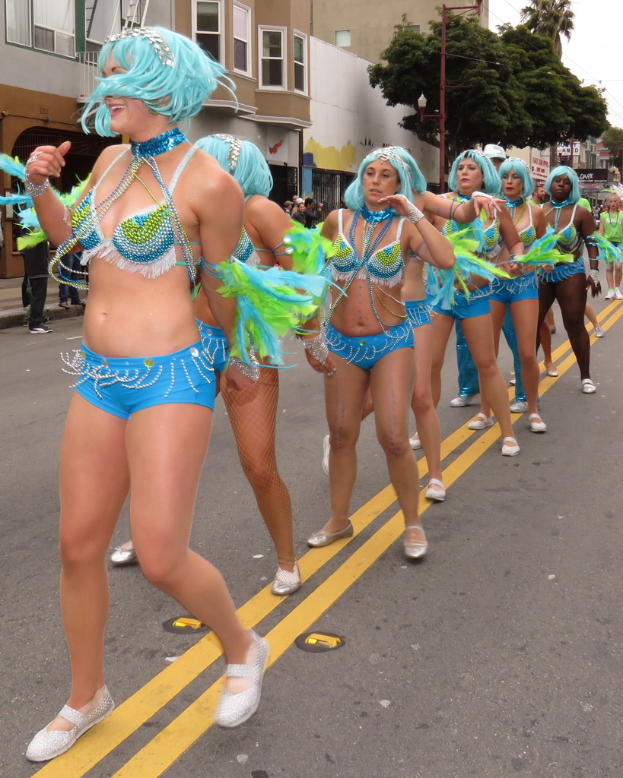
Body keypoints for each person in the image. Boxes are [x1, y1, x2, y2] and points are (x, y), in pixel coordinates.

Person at [23, 27, 270, 763]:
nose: (98, 93)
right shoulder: (107, 160)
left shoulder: (209, 182)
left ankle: (241, 645)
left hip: (172, 375)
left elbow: (222, 284)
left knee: (160, 557)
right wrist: (39, 187)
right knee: (78, 545)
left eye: (112, 79)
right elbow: (71, 245)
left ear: (159, 87)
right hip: (99, 375)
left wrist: (240, 357)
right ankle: (86, 694)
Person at [111, 134, 330, 596]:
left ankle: (287, 558)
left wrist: (313, 339)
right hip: (187, 343)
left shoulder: (260, 211)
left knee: (257, 463)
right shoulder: (189, 210)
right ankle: (147, 536)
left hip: (245, 347)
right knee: (157, 448)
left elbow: (304, 276)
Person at [306, 146, 456, 560]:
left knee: (392, 436)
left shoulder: (405, 228)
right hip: (340, 344)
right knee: (340, 435)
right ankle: (339, 519)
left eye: (386, 175)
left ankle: (411, 522)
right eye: (369, 172)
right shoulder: (336, 220)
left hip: (391, 341)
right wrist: (310, 335)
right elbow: (311, 274)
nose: (375, 180)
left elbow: (446, 258)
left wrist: (413, 212)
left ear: (399, 183)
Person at [429, 149, 523, 457]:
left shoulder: (496, 208)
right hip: (442, 296)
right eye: (460, 168)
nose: (464, 172)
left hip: (479, 295)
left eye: (472, 168)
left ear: (484, 174)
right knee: (431, 364)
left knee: (487, 364)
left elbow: (515, 243)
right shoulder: (441, 203)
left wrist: (517, 260)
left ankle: (507, 433)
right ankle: (424, 429)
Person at [471, 158, 547, 433]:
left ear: (524, 181)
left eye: (515, 177)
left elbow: (544, 249)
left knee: (527, 352)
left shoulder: (536, 212)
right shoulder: (489, 209)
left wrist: (532, 262)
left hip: (523, 285)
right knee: (487, 354)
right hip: (492, 285)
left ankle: (532, 409)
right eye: (505, 176)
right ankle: (485, 410)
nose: (510, 181)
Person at [538, 166, 600, 394]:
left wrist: (594, 271)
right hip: (541, 274)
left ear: (572, 187)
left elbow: (592, 243)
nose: (561, 185)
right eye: (557, 180)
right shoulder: (538, 210)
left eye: (566, 182)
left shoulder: (580, 212)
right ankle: (527, 371)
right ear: (550, 184)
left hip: (570, 272)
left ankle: (585, 376)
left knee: (573, 324)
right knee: (533, 324)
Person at [21, 236, 52, 334]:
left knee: (38, 295)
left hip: (37, 267)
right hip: (38, 268)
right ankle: (35, 323)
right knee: (39, 295)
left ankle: (35, 322)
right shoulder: (35, 233)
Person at [598, 194, 623, 299]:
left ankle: (617, 288)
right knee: (609, 267)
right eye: (611, 201)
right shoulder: (603, 215)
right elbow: (600, 231)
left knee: (618, 267)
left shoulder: (622, 215)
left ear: (618, 203)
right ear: (608, 203)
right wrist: (600, 242)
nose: (613, 203)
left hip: (620, 243)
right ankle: (611, 290)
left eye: (615, 201)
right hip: (608, 243)